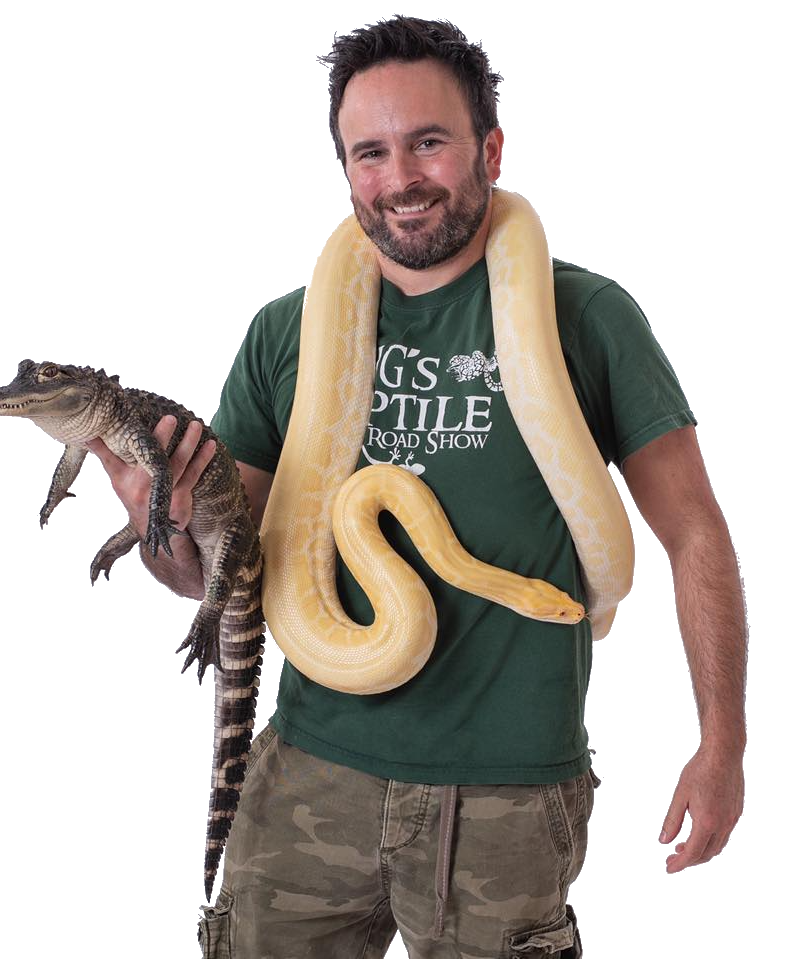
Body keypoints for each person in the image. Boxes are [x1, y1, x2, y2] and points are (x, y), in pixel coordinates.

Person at [86, 16, 747, 958]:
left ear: (490, 148)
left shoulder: (587, 316)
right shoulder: (288, 329)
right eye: (370, 152)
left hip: (510, 797)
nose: (399, 178)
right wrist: (158, 521)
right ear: (346, 168)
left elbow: (692, 532)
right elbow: (213, 578)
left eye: (427, 142)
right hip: (305, 779)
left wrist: (721, 746)